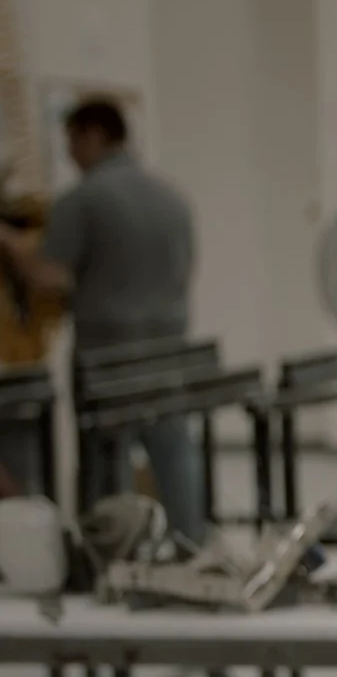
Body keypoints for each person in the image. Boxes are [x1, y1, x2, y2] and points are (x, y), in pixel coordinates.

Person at [0, 99, 204, 543]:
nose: (70, 153)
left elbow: (49, 276)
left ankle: (115, 554)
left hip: (108, 356)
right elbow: (187, 269)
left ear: (92, 135)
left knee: (107, 463)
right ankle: (192, 545)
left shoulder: (85, 198)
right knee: (173, 452)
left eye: (71, 141)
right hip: (170, 349)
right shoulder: (170, 197)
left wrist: (9, 241)